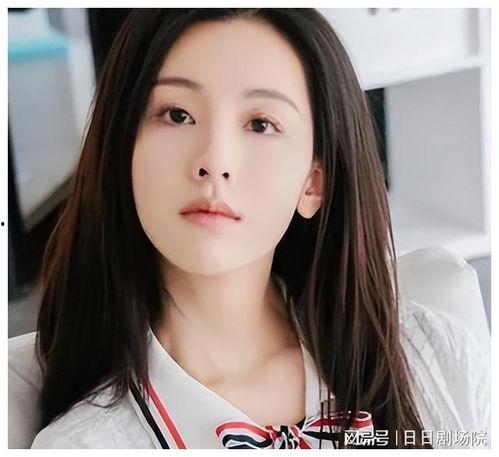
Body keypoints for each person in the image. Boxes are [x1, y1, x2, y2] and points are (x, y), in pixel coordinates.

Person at [27, 9, 485, 449]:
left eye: (261, 124)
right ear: (121, 151)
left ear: (313, 183)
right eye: (177, 114)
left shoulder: (434, 359)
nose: (214, 160)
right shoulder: (86, 443)